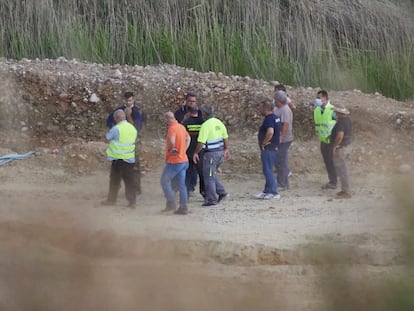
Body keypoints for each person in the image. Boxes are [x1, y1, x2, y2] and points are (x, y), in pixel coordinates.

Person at [106, 91, 144, 195]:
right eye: (127, 100)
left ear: (133, 99)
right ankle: (115, 190)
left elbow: (136, 128)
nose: (128, 102)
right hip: (120, 144)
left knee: (134, 167)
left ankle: (136, 189)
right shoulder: (119, 110)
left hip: (133, 143)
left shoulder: (137, 111)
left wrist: (129, 116)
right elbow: (109, 122)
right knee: (116, 168)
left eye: (130, 100)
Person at [193, 105, 230, 206]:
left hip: (210, 154)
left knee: (208, 176)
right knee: (210, 174)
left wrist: (196, 152)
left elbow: (201, 142)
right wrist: (226, 149)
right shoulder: (219, 122)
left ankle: (212, 199)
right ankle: (221, 192)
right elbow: (225, 137)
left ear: (204, 114)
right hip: (220, 153)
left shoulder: (206, 125)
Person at [101, 109, 138, 208]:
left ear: (117, 118)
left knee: (114, 181)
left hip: (118, 159)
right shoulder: (132, 128)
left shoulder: (116, 128)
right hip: (130, 158)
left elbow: (107, 138)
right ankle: (132, 201)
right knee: (129, 181)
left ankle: (111, 200)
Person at [160, 112, 191, 215]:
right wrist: (184, 150)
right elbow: (188, 138)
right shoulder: (181, 127)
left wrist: (172, 148)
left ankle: (171, 203)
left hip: (175, 161)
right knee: (182, 185)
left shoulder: (172, 129)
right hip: (184, 160)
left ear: (167, 119)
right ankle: (183, 207)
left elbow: (172, 140)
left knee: (164, 181)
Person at [255, 100, 282, 200]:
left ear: (265, 109)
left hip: (268, 148)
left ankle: (274, 192)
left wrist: (264, 143)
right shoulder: (275, 118)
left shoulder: (269, 119)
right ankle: (267, 190)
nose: (259, 110)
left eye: (260, 108)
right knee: (267, 169)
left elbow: (270, 132)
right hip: (273, 147)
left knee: (268, 170)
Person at [181, 94, 205, 197]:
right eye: (190, 101)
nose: (191, 103)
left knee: (200, 172)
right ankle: (189, 190)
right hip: (189, 150)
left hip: (198, 150)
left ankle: (202, 192)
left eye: (193, 101)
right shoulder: (180, 113)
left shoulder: (202, 118)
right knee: (189, 171)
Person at [314, 90, 337, 189]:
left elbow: (338, 126)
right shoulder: (317, 110)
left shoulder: (332, 110)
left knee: (332, 162)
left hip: (332, 141)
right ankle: (332, 180)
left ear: (325, 99)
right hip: (323, 141)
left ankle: (334, 182)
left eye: (319, 98)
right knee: (327, 162)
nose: (317, 100)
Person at [331, 107, 352, 198]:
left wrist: (334, 146)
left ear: (340, 113)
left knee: (342, 170)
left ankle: (346, 191)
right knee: (344, 169)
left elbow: (340, 136)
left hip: (341, 148)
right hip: (347, 146)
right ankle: (345, 189)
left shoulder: (340, 123)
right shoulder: (348, 120)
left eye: (336, 112)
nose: (335, 113)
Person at [273, 91, 293, 190]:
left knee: (281, 160)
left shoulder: (285, 110)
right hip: (278, 138)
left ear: (279, 100)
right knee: (278, 161)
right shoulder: (277, 108)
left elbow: (285, 124)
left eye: (275, 99)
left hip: (284, 140)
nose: (274, 101)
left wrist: (281, 137)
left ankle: (283, 183)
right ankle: (282, 182)